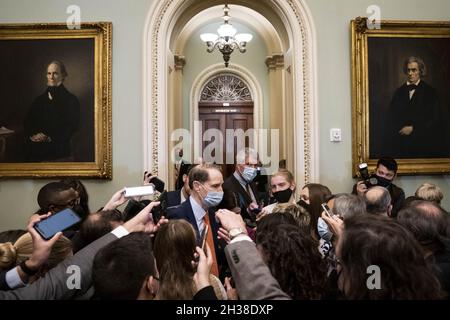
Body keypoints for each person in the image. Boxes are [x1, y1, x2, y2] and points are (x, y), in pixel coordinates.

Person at [167, 164, 225, 277]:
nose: (221, 191)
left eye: (221, 185)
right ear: (197, 186)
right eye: (215, 186)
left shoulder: (213, 213)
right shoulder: (177, 217)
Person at [386, 56, 445, 158]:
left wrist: (414, 129)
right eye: (408, 70)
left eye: (414, 70)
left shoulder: (431, 92)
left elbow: (435, 120)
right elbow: (390, 117)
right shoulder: (398, 92)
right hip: (400, 146)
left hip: (423, 145)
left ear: (420, 71)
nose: (410, 73)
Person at [24, 60, 80, 162]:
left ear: (63, 76)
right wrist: (35, 135)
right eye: (49, 73)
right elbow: (28, 122)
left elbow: (72, 127)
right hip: (36, 144)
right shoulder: (39, 100)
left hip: (59, 146)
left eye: (55, 73)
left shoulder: (71, 100)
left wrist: (50, 137)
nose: (51, 77)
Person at [222, 148, 261, 226]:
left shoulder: (252, 183)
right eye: (249, 164)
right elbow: (231, 217)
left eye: (255, 165)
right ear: (238, 165)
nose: (253, 169)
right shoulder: (227, 186)